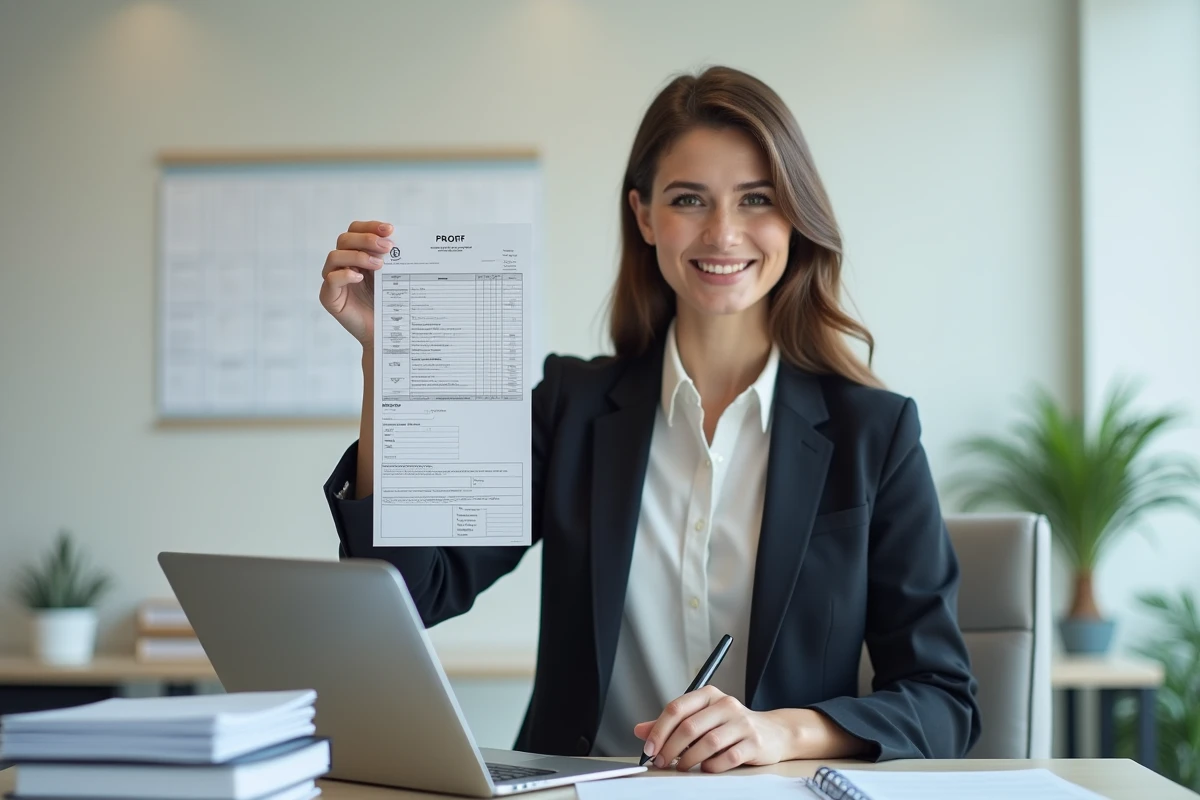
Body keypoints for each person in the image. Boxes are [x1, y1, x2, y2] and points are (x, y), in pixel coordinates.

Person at [319, 65, 980, 772]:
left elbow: (944, 700)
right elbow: (412, 592)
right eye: (689, 199)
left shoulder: (873, 434)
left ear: (793, 215)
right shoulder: (570, 405)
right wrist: (388, 365)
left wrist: (784, 732)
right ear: (644, 216)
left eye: (756, 199)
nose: (723, 234)